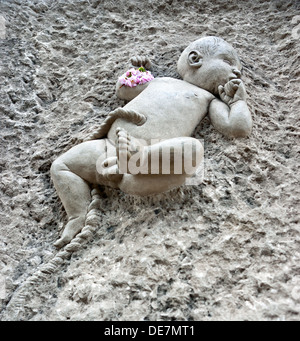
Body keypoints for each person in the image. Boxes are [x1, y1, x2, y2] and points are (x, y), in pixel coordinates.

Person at [50, 36, 252, 248]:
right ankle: (77, 216)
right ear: (195, 59)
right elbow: (123, 90)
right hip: (108, 152)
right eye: (229, 63)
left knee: (193, 149)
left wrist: (238, 102)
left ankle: (138, 159)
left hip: (146, 171)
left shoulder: (208, 100)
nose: (237, 72)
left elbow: (237, 128)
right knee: (62, 165)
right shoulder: (158, 81)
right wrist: (138, 70)